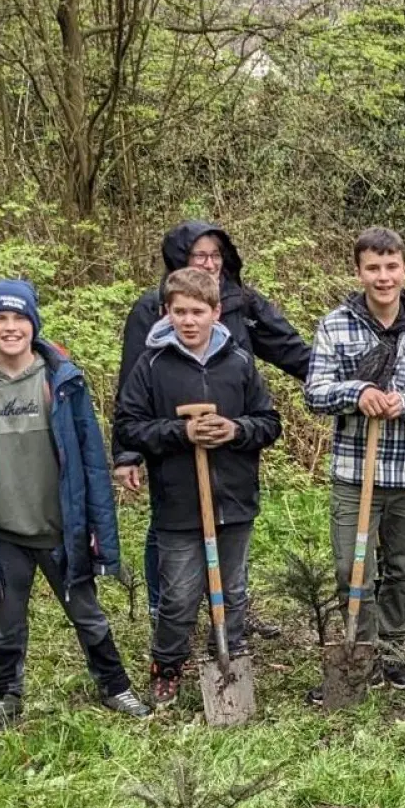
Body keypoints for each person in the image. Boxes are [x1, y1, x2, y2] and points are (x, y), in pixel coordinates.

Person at [0, 280, 150, 733]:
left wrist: (101, 533)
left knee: (88, 615)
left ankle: (115, 687)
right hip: (3, 532)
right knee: (6, 625)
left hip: (62, 530)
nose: (11, 327)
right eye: (0, 318)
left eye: (19, 318)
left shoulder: (61, 381)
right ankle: (4, 696)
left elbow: (92, 461)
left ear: (34, 325)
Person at [113, 221, 311, 635]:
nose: (208, 263)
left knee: (230, 534)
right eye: (199, 255)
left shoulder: (241, 302)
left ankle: (232, 614)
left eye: (215, 255)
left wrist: (332, 379)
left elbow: (289, 348)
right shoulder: (152, 309)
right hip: (175, 443)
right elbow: (131, 385)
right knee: (170, 529)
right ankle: (163, 611)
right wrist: (127, 454)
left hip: (231, 450)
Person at [114, 267, 283, 707]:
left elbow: (269, 423)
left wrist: (235, 429)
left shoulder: (239, 364)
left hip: (235, 499)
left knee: (234, 590)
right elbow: (130, 427)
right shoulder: (152, 366)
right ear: (166, 313)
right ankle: (166, 666)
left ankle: (227, 655)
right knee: (178, 596)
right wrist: (180, 434)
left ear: (216, 311)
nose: (188, 321)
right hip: (179, 503)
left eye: (197, 311)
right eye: (179, 312)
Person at [305, 227, 405, 692]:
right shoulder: (335, 325)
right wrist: (359, 392)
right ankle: (359, 654)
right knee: (354, 569)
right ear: (359, 271)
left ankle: (393, 653)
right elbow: (315, 392)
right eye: (373, 267)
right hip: (354, 473)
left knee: (403, 570)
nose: (383, 276)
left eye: (392, 267)